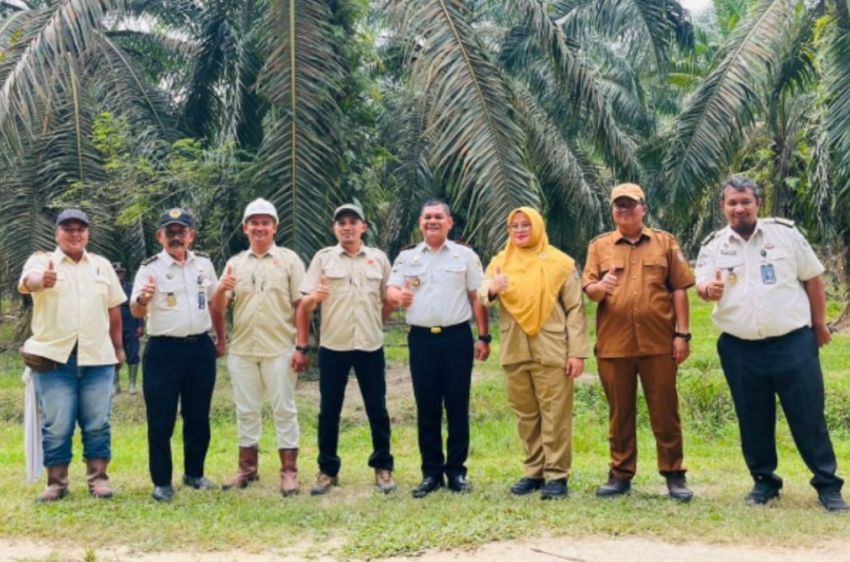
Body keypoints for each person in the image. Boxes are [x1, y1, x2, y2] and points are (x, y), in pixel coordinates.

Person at [695, 175, 848, 512]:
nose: (739, 208)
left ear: (758, 203)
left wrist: (819, 324)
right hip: (739, 347)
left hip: (792, 343)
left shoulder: (785, 234)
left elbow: (813, 279)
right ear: (723, 207)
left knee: (808, 415)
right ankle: (764, 482)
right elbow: (702, 285)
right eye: (732, 203)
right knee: (752, 418)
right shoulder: (713, 245)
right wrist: (708, 290)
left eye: (745, 201)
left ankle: (827, 485)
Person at [582, 183, 695, 502]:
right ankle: (620, 474)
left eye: (630, 204)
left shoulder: (664, 242)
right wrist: (601, 287)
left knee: (665, 410)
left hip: (659, 342)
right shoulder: (599, 246)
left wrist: (682, 334)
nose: (624, 210)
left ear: (644, 208)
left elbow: (679, 288)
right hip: (614, 345)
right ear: (612, 211)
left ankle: (674, 473)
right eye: (618, 205)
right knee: (620, 413)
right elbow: (590, 291)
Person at [479, 207, 589, 500]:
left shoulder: (560, 263)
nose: (519, 230)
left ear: (538, 226)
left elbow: (576, 310)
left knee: (555, 414)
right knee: (525, 415)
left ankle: (557, 475)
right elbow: (482, 294)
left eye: (525, 225)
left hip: (552, 349)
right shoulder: (500, 262)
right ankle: (534, 472)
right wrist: (493, 288)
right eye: (514, 226)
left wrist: (577, 353)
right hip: (514, 349)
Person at [19, 208, 125, 502]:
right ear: (57, 233)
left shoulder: (102, 266)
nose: (75, 234)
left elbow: (114, 309)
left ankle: (98, 480)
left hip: (98, 358)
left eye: (80, 229)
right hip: (54, 360)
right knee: (57, 424)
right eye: (68, 229)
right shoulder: (42, 261)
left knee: (98, 422)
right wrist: (41, 281)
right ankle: (56, 483)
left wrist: (118, 348)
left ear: (88, 234)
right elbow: (29, 279)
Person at [386, 200, 490, 498]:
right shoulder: (407, 257)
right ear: (420, 222)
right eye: (428, 217)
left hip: (456, 338)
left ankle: (456, 471)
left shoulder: (465, 255)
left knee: (457, 405)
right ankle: (431, 472)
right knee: (427, 406)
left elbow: (477, 296)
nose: (433, 221)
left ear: (449, 222)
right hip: (421, 340)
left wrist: (483, 337)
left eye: (438, 217)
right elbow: (391, 289)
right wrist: (398, 298)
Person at [293, 204, 397, 495]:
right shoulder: (323, 258)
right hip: (334, 346)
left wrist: (376, 322)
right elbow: (305, 305)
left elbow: (389, 299)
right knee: (329, 411)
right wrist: (315, 297)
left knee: (377, 409)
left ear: (364, 227)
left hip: (370, 345)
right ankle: (327, 470)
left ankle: (383, 466)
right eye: (341, 223)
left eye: (353, 221)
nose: (347, 227)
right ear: (334, 228)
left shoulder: (378, 259)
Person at [212, 198, 305, 496]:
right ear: (245, 228)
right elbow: (218, 306)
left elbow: (301, 305)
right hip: (243, 349)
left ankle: (289, 471)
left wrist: (301, 346)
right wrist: (221, 290)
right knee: (246, 410)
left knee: (284, 409)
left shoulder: (289, 260)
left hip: (279, 348)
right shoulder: (235, 264)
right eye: (254, 222)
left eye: (265, 222)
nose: (260, 227)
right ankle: (247, 468)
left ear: (275, 227)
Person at [131, 208, 225, 502]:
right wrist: (144, 298)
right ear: (159, 236)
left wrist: (221, 338)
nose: (176, 237)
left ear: (191, 235)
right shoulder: (150, 268)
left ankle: (194, 473)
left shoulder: (204, 264)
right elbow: (136, 309)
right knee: (161, 419)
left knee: (198, 415)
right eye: (169, 232)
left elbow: (215, 303)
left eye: (181, 231)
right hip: (163, 351)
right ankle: (162, 481)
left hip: (200, 348)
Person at [113, 263, 143, 395]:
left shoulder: (131, 287)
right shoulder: (108, 287)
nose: (118, 275)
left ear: (124, 273)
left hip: (131, 322)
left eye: (120, 272)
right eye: (116, 272)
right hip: (114, 324)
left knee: (133, 352)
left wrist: (140, 324)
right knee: (113, 354)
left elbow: (138, 305)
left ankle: (132, 384)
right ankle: (116, 384)